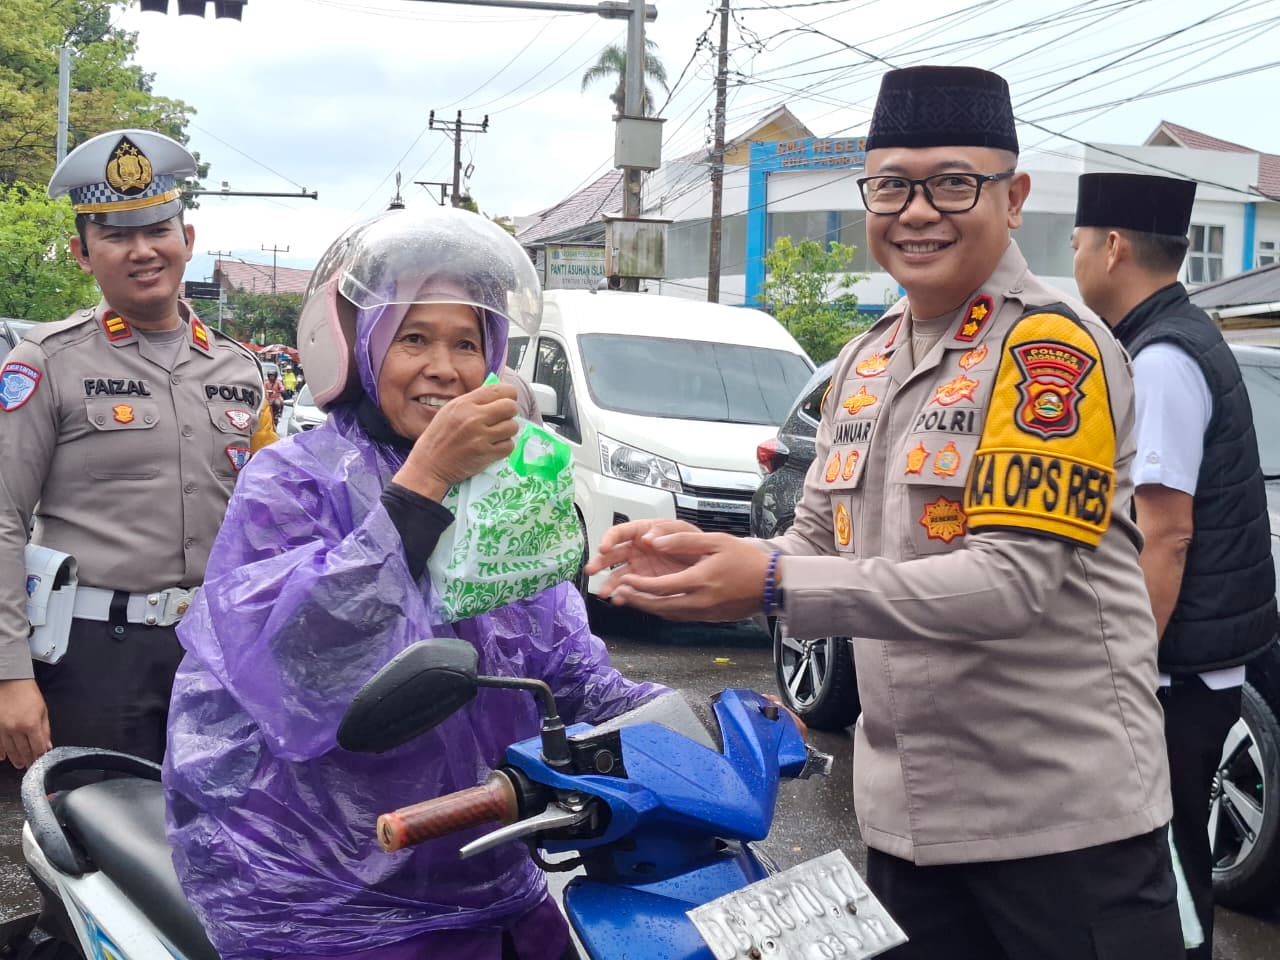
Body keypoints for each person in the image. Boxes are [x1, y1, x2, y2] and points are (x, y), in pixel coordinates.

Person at [586, 65, 1184, 959]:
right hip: (909, 821)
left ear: (1013, 197)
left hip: (1063, 831)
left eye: (953, 183)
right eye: (893, 185)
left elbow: (1011, 586)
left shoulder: (1050, 353)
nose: (917, 211)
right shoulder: (865, 360)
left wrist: (775, 583)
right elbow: (816, 538)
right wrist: (705, 555)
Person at [162, 205, 665, 960]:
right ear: (360, 351)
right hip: (320, 891)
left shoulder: (511, 487)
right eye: (414, 339)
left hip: (491, 865)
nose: (445, 367)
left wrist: (675, 718)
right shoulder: (292, 483)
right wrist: (425, 481)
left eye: (467, 342)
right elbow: (298, 668)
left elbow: (563, 663)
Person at [0, 129, 263, 770]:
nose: (142, 251)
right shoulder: (47, 362)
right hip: (91, 656)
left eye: (157, 230)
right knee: (96, 850)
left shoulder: (241, 370)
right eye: (116, 235)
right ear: (82, 254)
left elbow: (267, 518)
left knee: (215, 844)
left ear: (188, 240)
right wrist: (10, 674)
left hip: (212, 650)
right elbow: (4, 518)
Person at [1072, 172, 1277, 958]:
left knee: (1165, 873)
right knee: (1164, 860)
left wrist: (1128, 662)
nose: (1078, 258)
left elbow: (1166, 534)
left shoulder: (1160, 360)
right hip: (1195, 666)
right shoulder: (1176, 338)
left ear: (1114, 246)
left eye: (1081, 243)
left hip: (1171, 674)